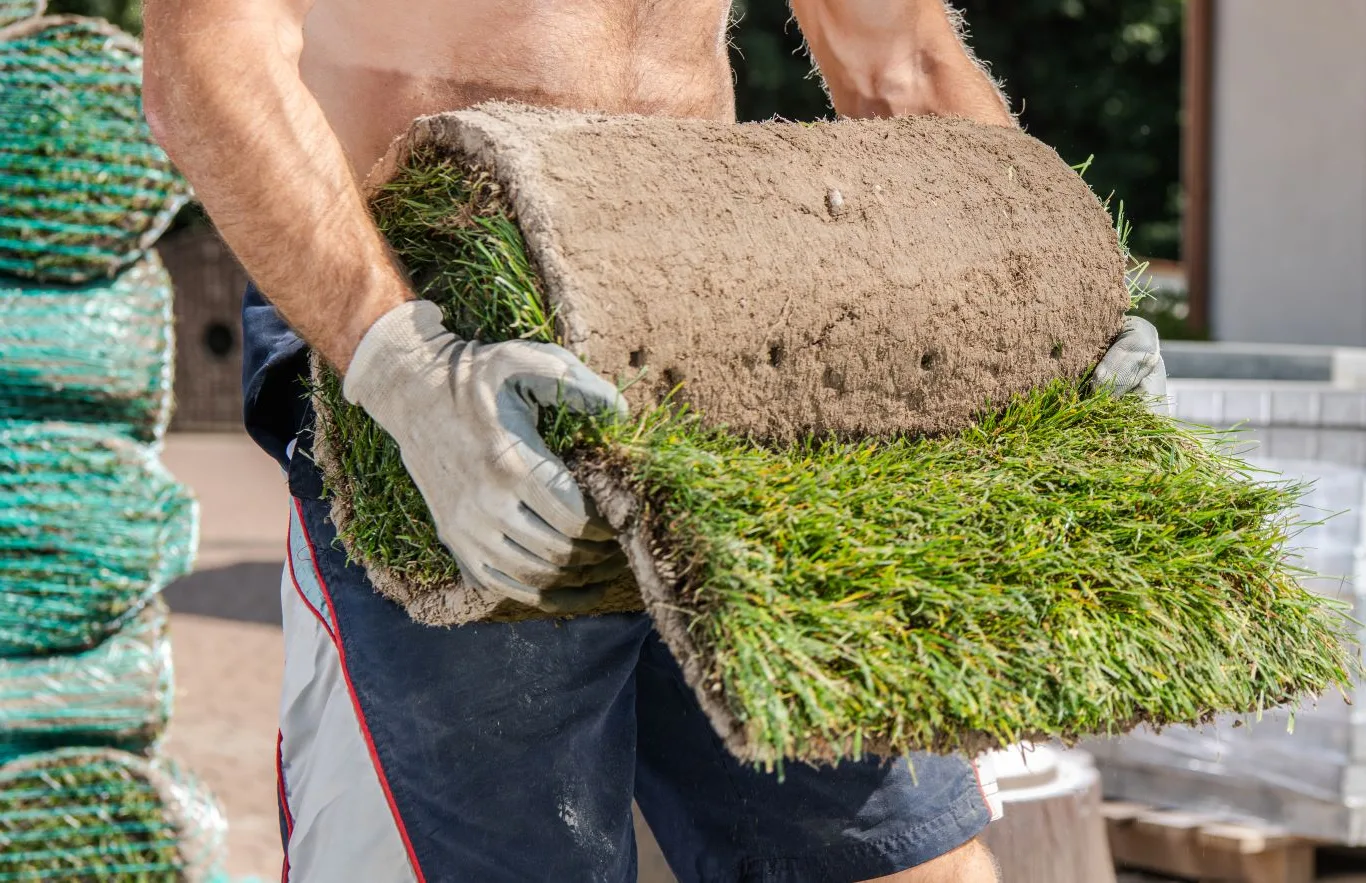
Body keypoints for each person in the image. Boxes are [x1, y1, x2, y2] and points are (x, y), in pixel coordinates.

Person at [142, 1, 1166, 880]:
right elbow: (207, 54)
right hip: (424, 314)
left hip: (707, 325)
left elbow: (896, 58)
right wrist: (400, 363)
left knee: (906, 857)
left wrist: (1051, 308)